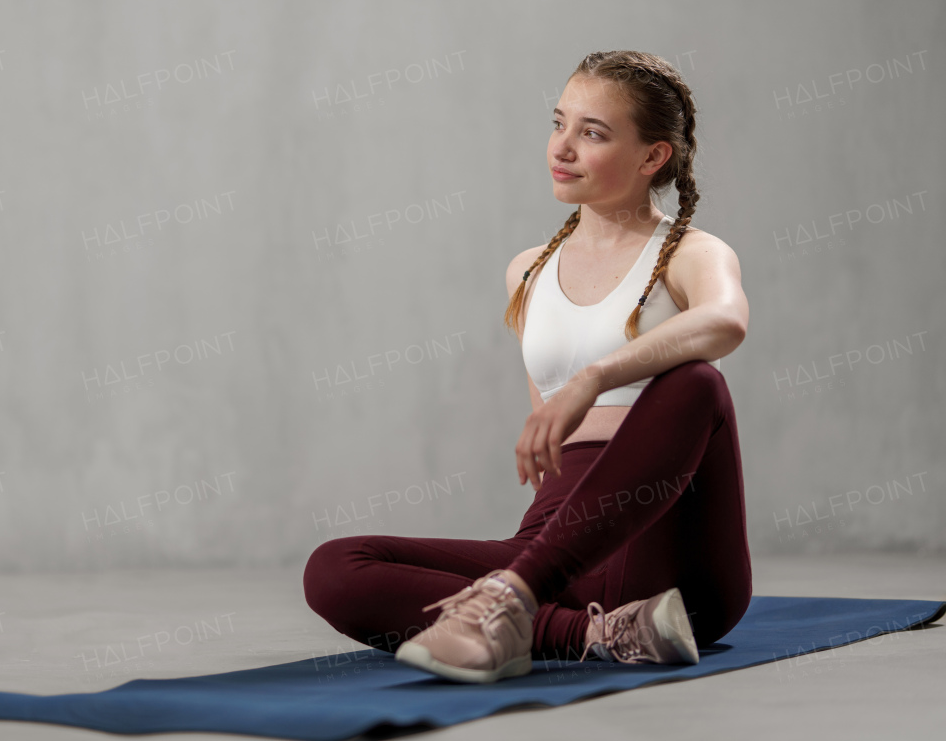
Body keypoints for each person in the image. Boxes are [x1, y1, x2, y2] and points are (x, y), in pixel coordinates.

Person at [302, 51, 753, 684]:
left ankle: (517, 601)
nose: (562, 148)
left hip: (670, 557)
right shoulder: (529, 270)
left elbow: (726, 321)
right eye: (559, 122)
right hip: (561, 546)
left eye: (592, 133)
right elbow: (549, 431)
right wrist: (543, 549)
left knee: (697, 382)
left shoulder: (690, 253)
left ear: (654, 157)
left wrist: (594, 378)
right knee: (335, 566)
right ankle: (592, 633)